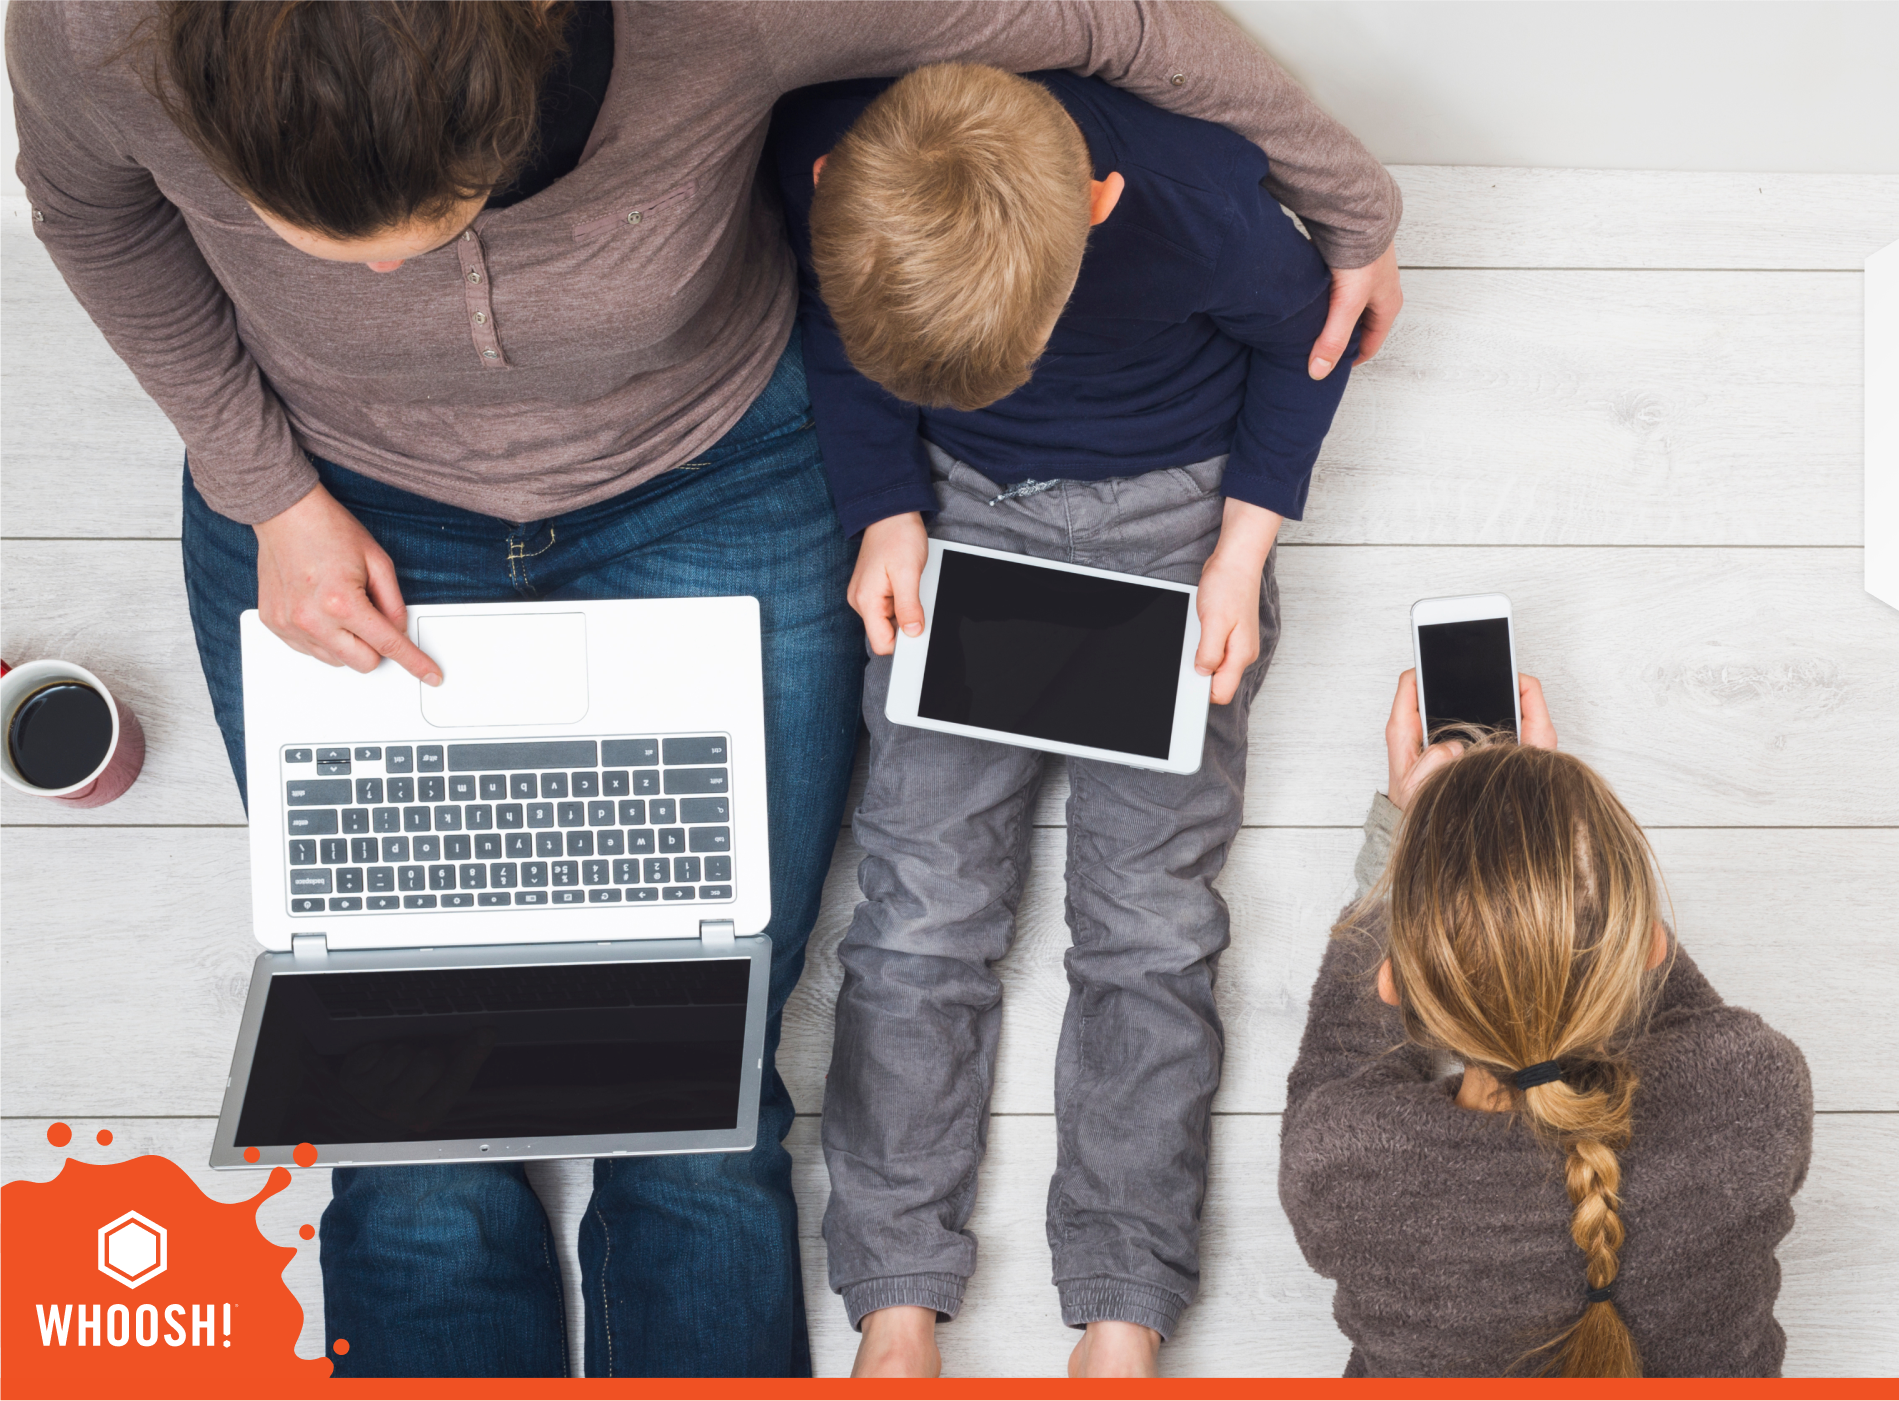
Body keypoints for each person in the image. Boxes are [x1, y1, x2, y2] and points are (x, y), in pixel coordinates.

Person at [8, 0, 1401, 1377]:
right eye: (307, 236)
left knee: (707, 1062)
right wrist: (269, 493)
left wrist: (1359, 215)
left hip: (729, 474)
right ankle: (899, 1302)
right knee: (412, 1125)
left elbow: (1118, 25)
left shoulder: (797, 46)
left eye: (426, 220)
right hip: (337, 501)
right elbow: (92, 212)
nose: (387, 279)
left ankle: (1082, 1304)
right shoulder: (89, 29)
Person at [766, 64, 1360, 1376]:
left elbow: (1308, 344)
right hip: (957, 509)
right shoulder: (837, 164)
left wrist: (1239, 560)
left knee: (1151, 925)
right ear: (826, 186)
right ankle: (895, 1299)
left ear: (1100, 203)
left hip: (1172, 522)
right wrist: (883, 511)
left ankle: (1121, 1304)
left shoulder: (1198, 195)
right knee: (921, 910)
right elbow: (838, 332)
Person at [1279, 672, 1813, 1376]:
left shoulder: (1346, 1168)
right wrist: (1549, 843)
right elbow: (1682, 1012)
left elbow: (1337, 1073)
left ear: (1392, 985)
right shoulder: (1753, 1091)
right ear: (1650, 945)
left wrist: (1401, 837)